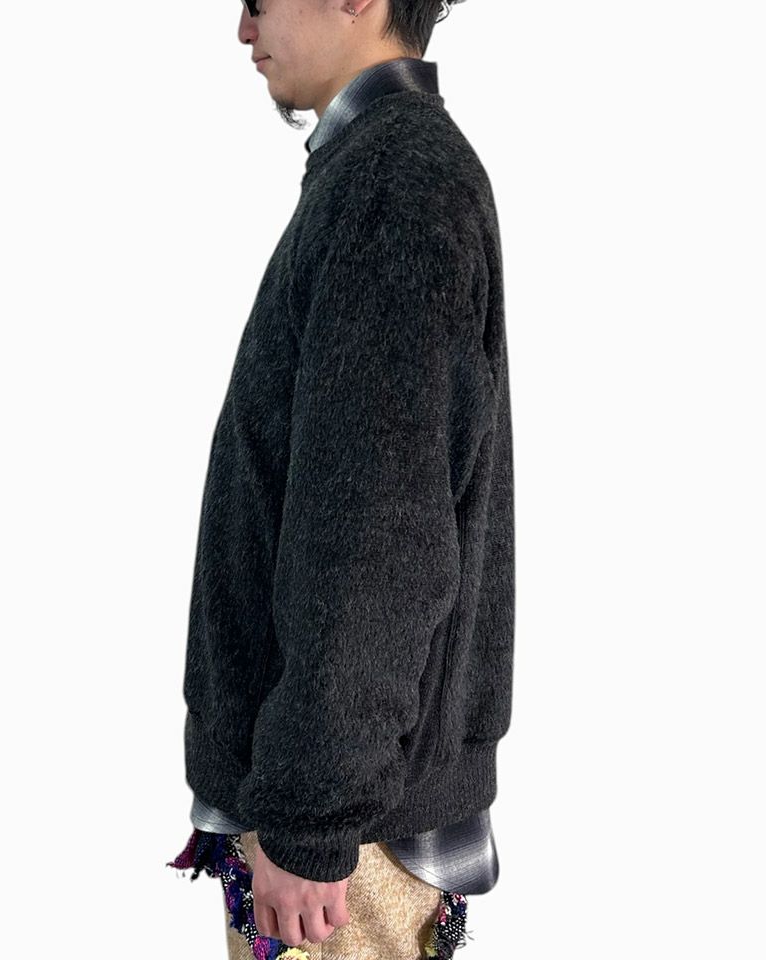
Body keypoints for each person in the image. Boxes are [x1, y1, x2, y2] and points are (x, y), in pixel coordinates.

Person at [166, 2, 515, 958]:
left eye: (258, 0)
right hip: (342, 815)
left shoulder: (394, 181)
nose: (243, 31)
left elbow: (378, 537)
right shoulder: (381, 170)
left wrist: (310, 819)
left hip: (345, 840)